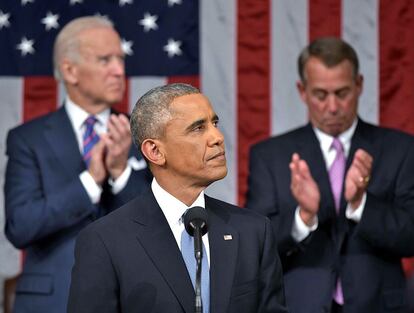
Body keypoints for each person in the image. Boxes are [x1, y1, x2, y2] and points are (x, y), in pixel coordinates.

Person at [67, 83, 288, 313]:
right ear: (155, 151)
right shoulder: (104, 241)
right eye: (198, 128)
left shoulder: (253, 232)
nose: (217, 137)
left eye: (214, 123)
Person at [246, 37, 414, 313]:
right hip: (301, 306)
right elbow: (257, 244)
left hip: (379, 305)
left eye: (342, 92)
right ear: (302, 91)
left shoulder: (402, 149)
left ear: (359, 85)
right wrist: (303, 216)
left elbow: (410, 236)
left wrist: (361, 203)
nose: (333, 107)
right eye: (321, 95)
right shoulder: (270, 155)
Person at [4, 16, 151, 313]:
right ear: (70, 71)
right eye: (105, 60)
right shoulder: (27, 139)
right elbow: (20, 226)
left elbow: (157, 225)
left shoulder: (143, 135)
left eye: (121, 59)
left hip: (130, 300)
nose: (119, 71)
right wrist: (91, 180)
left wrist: (121, 172)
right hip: (53, 302)